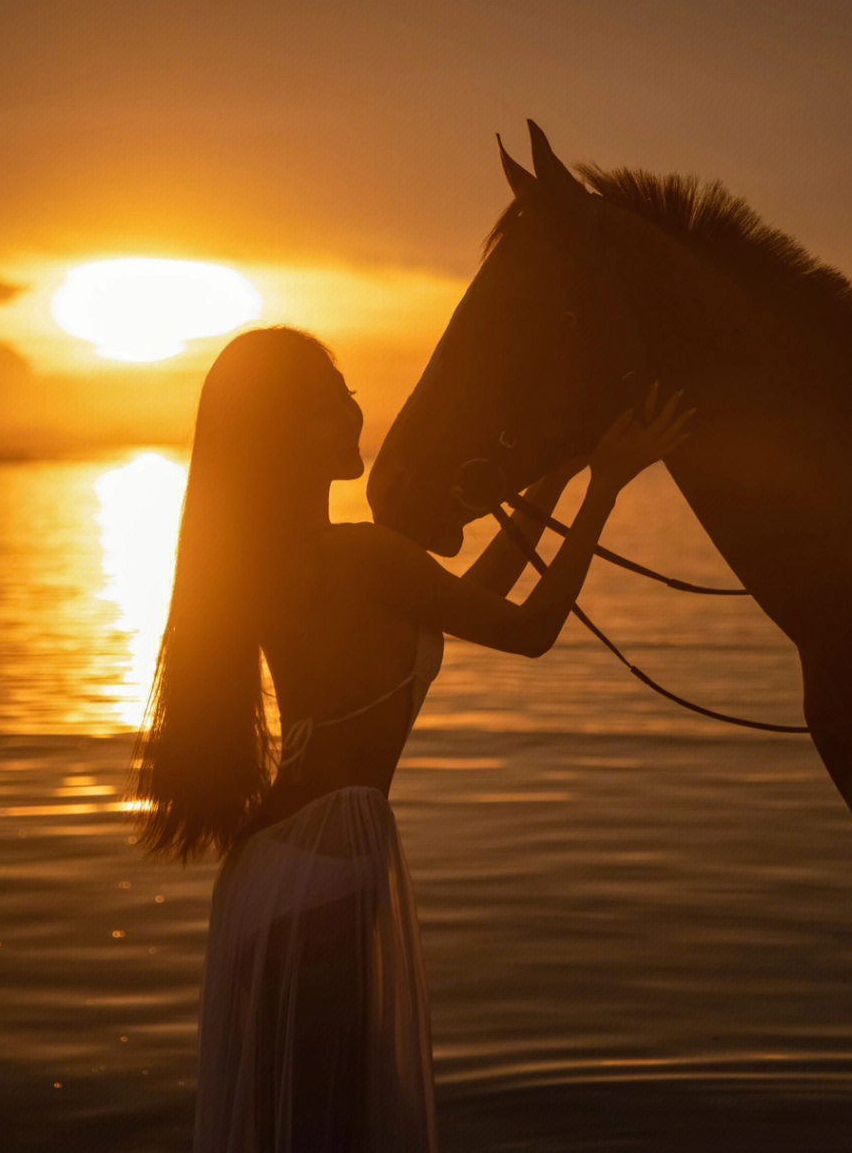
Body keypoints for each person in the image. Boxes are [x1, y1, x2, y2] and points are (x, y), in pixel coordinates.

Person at [132, 325, 692, 1153]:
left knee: (308, 1127)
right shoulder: (361, 556)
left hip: (281, 875)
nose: (351, 413)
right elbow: (530, 629)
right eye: (323, 409)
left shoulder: (291, 560)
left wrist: (561, 469)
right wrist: (603, 487)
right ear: (281, 438)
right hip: (320, 881)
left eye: (344, 393)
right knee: (336, 1127)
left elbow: (471, 602)